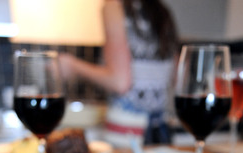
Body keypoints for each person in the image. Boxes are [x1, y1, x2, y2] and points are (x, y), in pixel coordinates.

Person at [59, 0, 179, 145]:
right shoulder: (161, 11)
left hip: (127, 132)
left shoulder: (114, 7)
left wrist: (72, 65)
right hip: (159, 131)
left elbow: (120, 83)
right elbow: (176, 77)